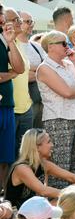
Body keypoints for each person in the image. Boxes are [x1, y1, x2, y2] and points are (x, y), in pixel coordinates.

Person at [36, 30, 75, 188]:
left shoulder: (69, 64)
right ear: (51, 46)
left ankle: (74, 202)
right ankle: (58, 203)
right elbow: (67, 92)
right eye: (63, 43)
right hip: (58, 119)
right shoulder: (45, 68)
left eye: (67, 43)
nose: (67, 46)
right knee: (61, 166)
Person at [4, 128, 75, 209]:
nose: (52, 145)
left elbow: (71, 177)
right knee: (68, 202)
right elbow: (43, 191)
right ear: (37, 147)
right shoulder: (22, 168)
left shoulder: (44, 164)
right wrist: (72, 194)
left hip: (35, 211)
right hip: (17, 215)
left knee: (68, 201)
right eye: (49, 142)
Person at [0, 3, 26, 189]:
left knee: (5, 158)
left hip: (7, 105)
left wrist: (10, 41)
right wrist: (8, 75)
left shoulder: (5, 40)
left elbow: (19, 68)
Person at [4, 9, 32, 156]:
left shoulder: (17, 42)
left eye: (19, 19)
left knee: (24, 155)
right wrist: (14, 72)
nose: (19, 22)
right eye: (15, 20)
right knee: (8, 155)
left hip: (26, 107)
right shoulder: (4, 43)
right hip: (10, 108)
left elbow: (23, 69)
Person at [18, 12, 44, 130]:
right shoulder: (13, 45)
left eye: (32, 21)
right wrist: (40, 70)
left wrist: (30, 69)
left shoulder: (36, 46)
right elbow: (20, 74)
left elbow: (48, 69)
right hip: (22, 103)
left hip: (40, 100)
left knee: (37, 138)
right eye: (27, 22)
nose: (31, 25)